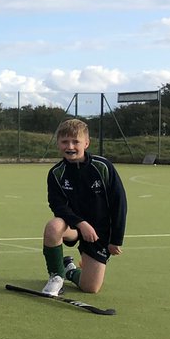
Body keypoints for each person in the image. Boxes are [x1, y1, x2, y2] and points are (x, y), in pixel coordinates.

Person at [40, 118, 127, 296]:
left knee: (91, 288)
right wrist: (81, 223)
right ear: (58, 144)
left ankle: (69, 269)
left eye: (75, 141)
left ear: (86, 143)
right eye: (65, 142)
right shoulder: (56, 173)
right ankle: (56, 277)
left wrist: (115, 240)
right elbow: (58, 205)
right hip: (73, 227)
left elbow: (119, 203)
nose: (70, 146)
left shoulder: (103, 167)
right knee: (53, 227)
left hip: (98, 233)